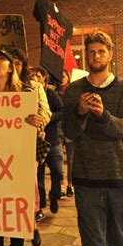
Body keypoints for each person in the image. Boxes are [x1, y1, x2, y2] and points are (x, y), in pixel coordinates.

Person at [62, 31, 123, 246]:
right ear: (86, 55)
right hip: (86, 179)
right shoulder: (74, 90)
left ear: (110, 55)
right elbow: (70, 132)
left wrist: (103, 115)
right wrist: (80, 112)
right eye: (91, 51)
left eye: (101, 51)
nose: (96, 55)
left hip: (117, 176)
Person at [0, 48, 47, 246]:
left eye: (0, 59)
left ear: (11, 67)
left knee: (15, 221)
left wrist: (38, 123)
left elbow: (39, 126)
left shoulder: (25, 96)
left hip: (17, 166)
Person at [36, 66, 64, 215]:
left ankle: (54, 194)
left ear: (44, 78)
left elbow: (61, 111)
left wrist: (49, 117)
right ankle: (40, 205)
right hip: (36, 143)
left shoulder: (50, 94)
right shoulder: (28, 94)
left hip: (52, 141)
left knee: (58, 172)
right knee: (38, 176)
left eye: (38, 76)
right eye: (33, 76)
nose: (35, 79)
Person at [57, 69, 74, 197]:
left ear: (68, 78)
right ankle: (61, 185)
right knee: (59, 159)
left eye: (63, 76)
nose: (61, 78)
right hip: (58, 129)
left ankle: (70, 185)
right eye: (59, 76)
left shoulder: (73, 93)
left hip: (71, 129)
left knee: (72, 159)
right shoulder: (53, 93)